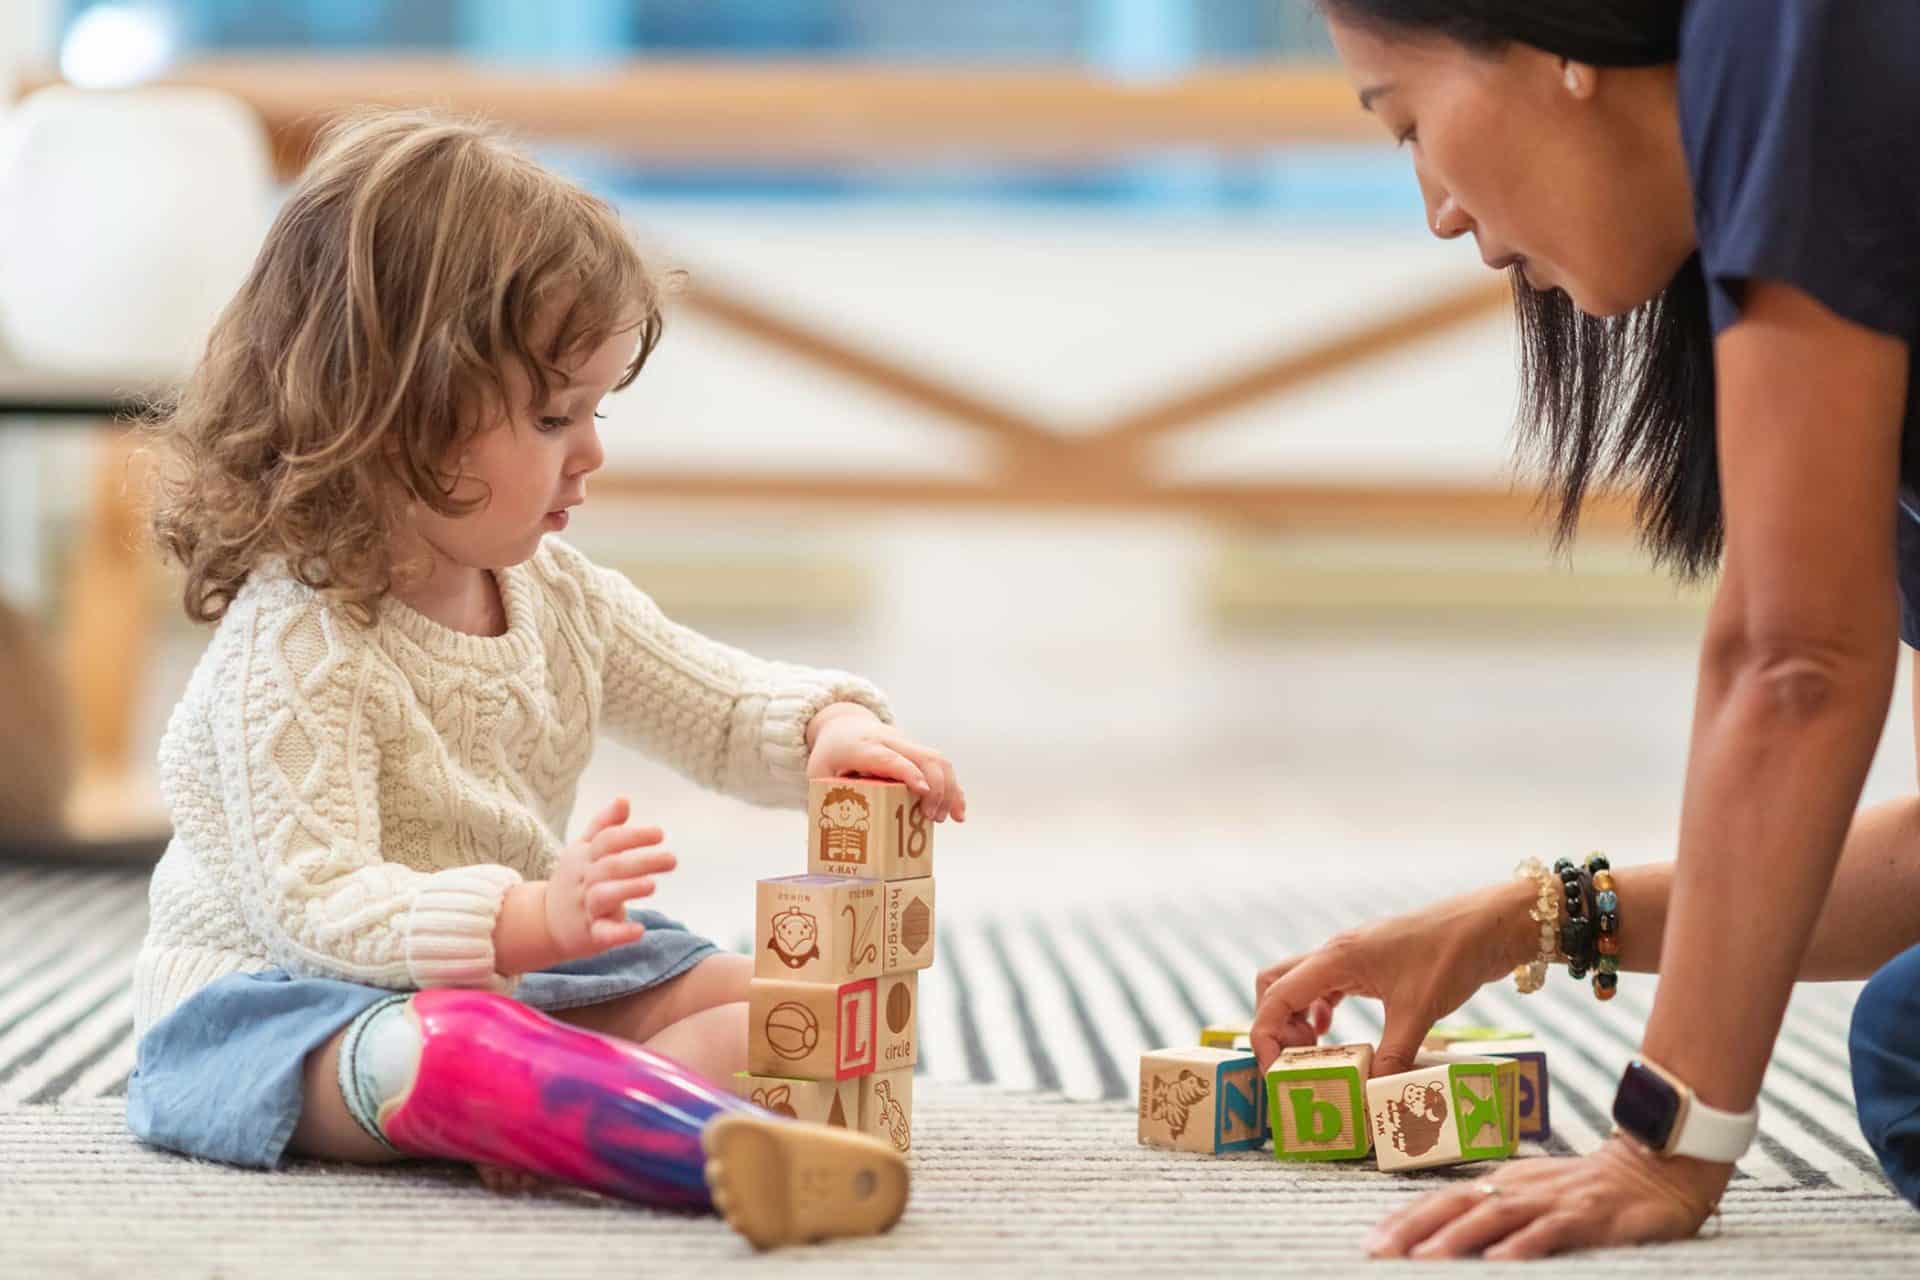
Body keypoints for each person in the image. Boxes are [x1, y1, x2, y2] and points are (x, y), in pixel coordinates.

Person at [126, 108, 966, 1250]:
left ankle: (610, 1107)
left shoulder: (558, 597)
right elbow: (313, 902)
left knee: (783, 993)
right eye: (553, 413)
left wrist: (827, 726)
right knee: (428, 1050)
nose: (593, 451)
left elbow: (715, 703)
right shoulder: (299, 643)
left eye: (596, 410)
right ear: (392, 411)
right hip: (283, 997)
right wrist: (526, 916)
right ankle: (644, 1132)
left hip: (519, 963)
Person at [1251, 0, 1920, 1259]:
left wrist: (1662, 1146)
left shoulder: (1797, 32)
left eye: (1405, 125)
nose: (1440, 209)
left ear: (1558, 50)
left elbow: (1795, 662)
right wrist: (1531, 916)